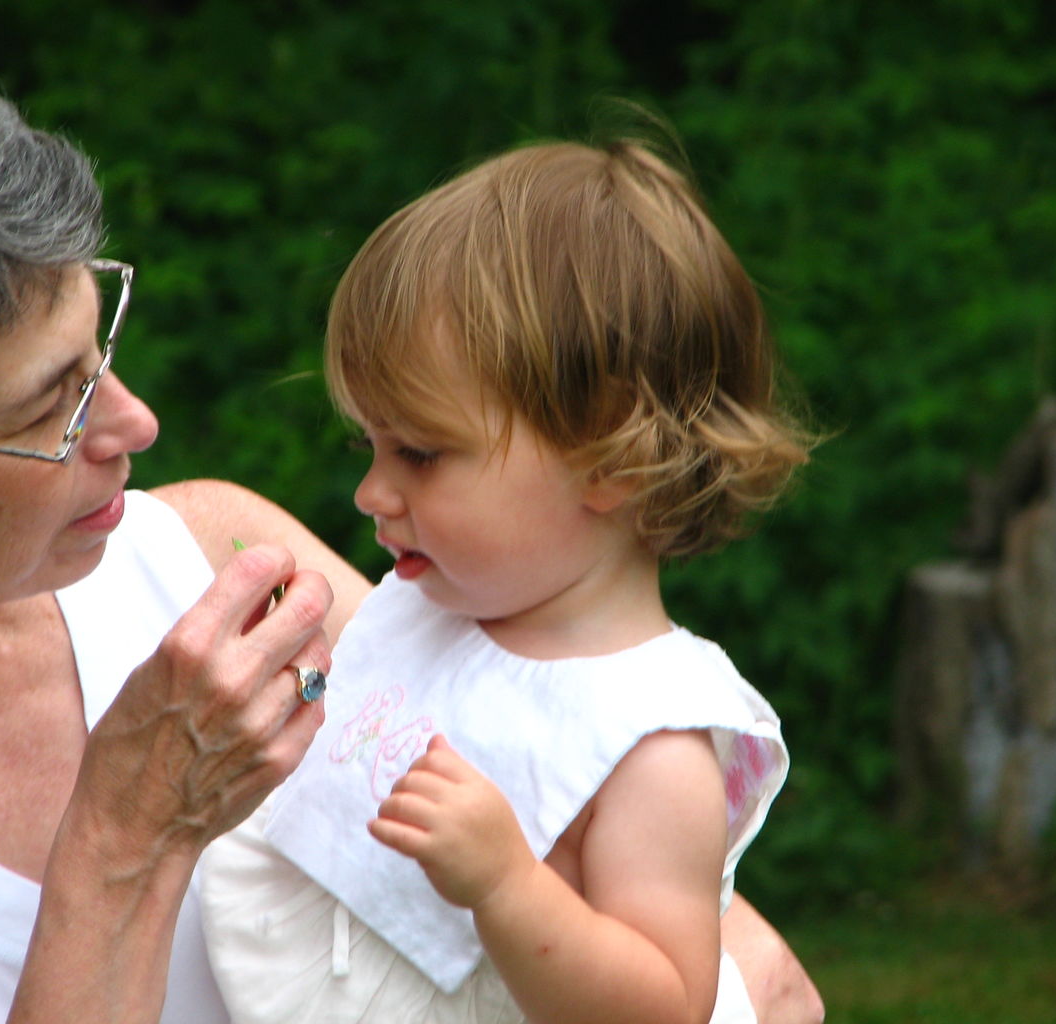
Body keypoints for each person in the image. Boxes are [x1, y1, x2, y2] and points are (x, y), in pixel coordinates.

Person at [0, 45, 820, 1024]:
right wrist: (120, 839)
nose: (136, 424)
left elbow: (754, 981)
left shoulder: (224, 567)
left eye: (98, 346)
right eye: (44, 410)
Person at [199, 134, 820, 1024]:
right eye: (367, 446)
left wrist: (506, 886)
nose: (372, 492)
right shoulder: (426, 613)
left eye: (418, 452)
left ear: (609, 456)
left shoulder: (650, 739)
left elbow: (664, 1007)